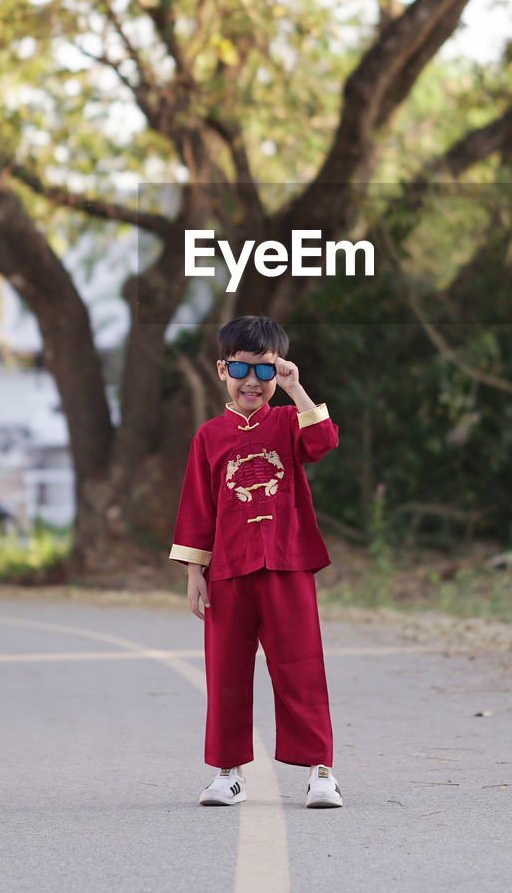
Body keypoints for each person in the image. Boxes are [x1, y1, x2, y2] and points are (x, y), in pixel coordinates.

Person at [169, 314, 343, 809]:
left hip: (287, 563)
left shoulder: (291, 422)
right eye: (243, 371)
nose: (254, 383)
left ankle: (320, 771)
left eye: (265, 372)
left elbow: (324, 442)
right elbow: (198, 506)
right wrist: (193, 572)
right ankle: (228, 773)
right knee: (226, 672)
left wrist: (294, 386)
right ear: (222, 370)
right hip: (227, 569)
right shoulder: (209, 436)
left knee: (300, 666)